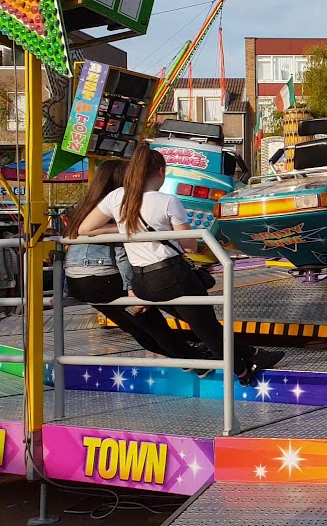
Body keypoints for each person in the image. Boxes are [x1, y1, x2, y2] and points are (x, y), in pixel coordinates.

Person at [76, 145, 282, 385]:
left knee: (203, 325)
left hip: (142, 283)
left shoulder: (116, 197)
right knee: (206, 327)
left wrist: (126, 229)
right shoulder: (167, 201)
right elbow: (190, 246)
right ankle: (244, 372)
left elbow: (85, 229)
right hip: (171, 277)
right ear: (161, 172)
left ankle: (253, 354)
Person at [64, 161, 204, 361]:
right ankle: (198, 361)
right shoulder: (116, 205)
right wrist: (132, 289)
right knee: (154, 321)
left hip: (77, 282)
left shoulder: (85, 208)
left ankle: (190, 360)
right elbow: (122, 252)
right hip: (103, 278)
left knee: (135, 327)